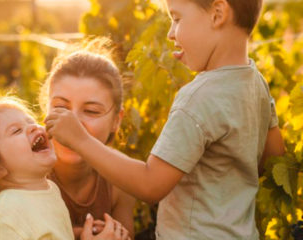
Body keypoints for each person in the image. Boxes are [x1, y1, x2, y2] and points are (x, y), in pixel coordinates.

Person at [44, 0, 286, 239]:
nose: (171, 33)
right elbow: (272, 158)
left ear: (217, 13)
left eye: (177, 19)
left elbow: (150, 186)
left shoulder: (197, 99)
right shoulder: (257, 84)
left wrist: (81, 140)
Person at [0, 92, 130, 240]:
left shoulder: (50, 190)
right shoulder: (4, 218)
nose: (33, 127)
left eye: (30, 121)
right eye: (16, 130)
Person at [39, 40, 135, 239]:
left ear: (116, 121)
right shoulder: (24, 168)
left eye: (91, 111)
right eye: (60, 107)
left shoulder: (119, 181)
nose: (71, 123)